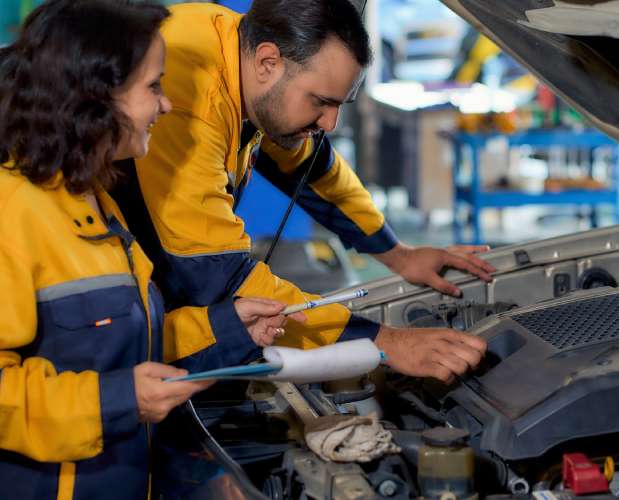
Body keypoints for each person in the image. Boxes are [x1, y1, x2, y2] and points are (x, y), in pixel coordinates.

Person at [0, 1, 302, 498]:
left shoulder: (97, 204)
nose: (165, 104)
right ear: (96, 97)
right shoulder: (15, 214)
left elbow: (124, 342)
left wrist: (228, 326)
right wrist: (118, 400)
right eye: (153, 86)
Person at [117, 0, 489, 384]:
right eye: (321, 102)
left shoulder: (244, 51)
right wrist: (385, 343)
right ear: (267, 63)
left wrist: (397, 254)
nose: (330, 123)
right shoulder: (188, 97)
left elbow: (313, 167)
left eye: (339, 104)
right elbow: (221, 277)